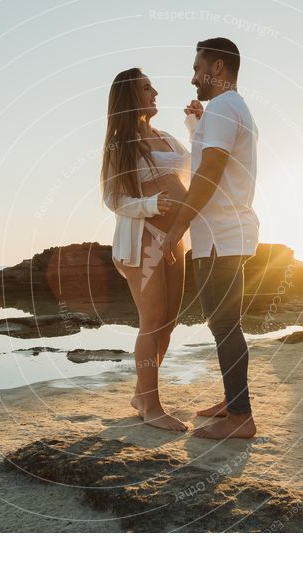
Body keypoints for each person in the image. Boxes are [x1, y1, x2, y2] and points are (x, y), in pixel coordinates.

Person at [161, 38, 260, 440]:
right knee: (227, 323)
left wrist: (177, 226)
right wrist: (195, 125)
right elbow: (212, 156)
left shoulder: (222, 108)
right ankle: (232, 402)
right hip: (230, 233)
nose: (192, 77)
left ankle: (241, 416)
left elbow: (209, 173)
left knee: (223, 324)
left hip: (218, 235)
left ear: (217, 68)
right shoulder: (231, 108)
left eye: (197, 67)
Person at [100, 67, 200, 432]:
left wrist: (195, 129)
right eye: (146, 88)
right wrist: (153, 205)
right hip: (143, 239)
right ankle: (153, 407)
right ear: (130, 96)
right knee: (152, 321)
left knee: (169, 323)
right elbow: (114, 199)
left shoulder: (169, 139)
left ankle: (142, 395)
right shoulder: (119, 145)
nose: (155, 91)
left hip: (176, 239)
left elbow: (196, 171)